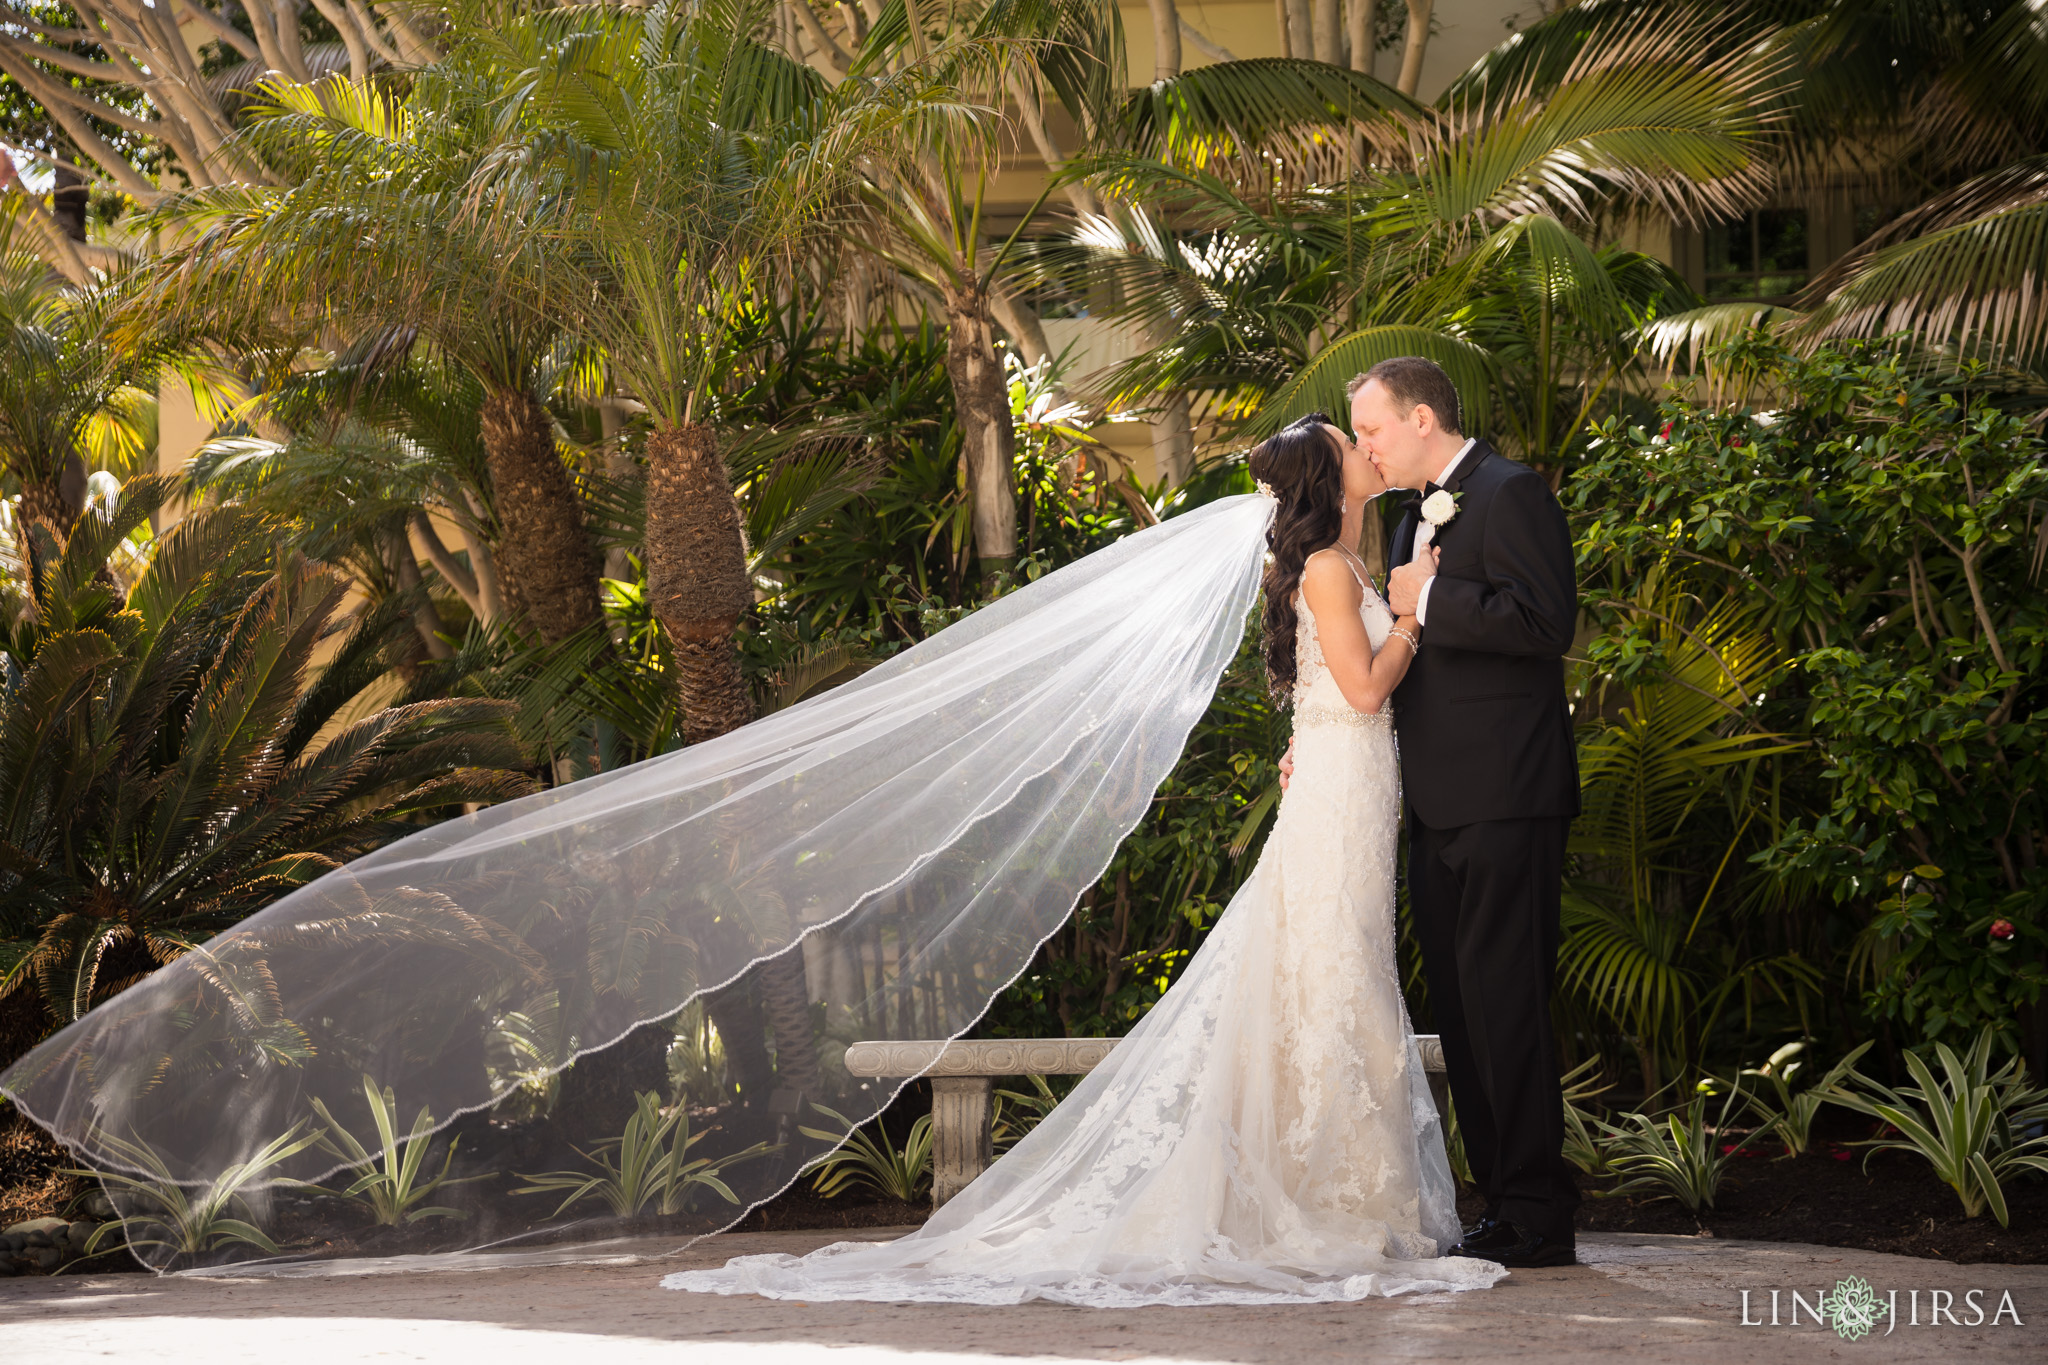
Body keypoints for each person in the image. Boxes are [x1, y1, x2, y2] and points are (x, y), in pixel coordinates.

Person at [662, 414, 1506, 1307]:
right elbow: (1368, 685)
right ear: (1324, 476)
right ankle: (1328, 1196)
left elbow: (1327, 688)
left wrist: (1344, 687)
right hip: (1341, 793)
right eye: (1348, 441)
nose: (1363, 447)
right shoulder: (1335, 569)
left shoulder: (1343, 562)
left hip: (1351, 786)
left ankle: (1321, 1182)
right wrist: (1413, 615)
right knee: (1334, 976)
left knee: (1332, 973)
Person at [1286, 356, 1581, 1269]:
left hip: (1507, 795)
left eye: (1370, 429)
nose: (1364, 445)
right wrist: (1323, 735)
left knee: (1510, 1006)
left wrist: (1432, 598)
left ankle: (1538, 1211)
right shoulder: (1415, 514)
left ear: (1421, 418)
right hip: (1432, 804)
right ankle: (1503, 1202)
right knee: (1464, 1009)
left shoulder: (1512, 491)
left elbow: (1545, 624)